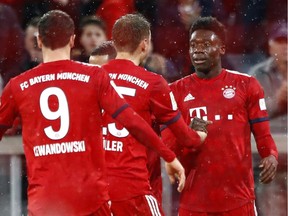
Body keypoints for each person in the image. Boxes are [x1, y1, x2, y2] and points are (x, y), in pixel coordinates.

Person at [0, 10, 186, 216]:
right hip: (89, 199)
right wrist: (168, 155)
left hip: (45, 202)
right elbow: (131, 121)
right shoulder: (92, 76)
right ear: (72, 40)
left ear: (39, 41)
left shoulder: (18, 85)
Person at [161, 16, 279, 216]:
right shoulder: (175, 91)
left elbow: (263, 134)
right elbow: (168, 146)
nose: (198, 49)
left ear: (222, 48)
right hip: (194, 200)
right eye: (193, 45)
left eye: (206, 44)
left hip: (239, 199)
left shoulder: (246, 85)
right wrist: (188, 133)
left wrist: (271, 155)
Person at [101, 14, 208, 216]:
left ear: (114, 43)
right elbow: (186, 138)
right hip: (131, 188)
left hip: (94, 188)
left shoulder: (93, 77)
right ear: (145, 44)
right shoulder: (153, 83)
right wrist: (199, 134)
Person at [249, 22, 287, 133]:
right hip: (270, 137)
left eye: (287, 41)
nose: (285, 46)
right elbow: (249, 114)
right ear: (270, 47)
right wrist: (277, 100)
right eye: (280, 41)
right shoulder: (257, 74)